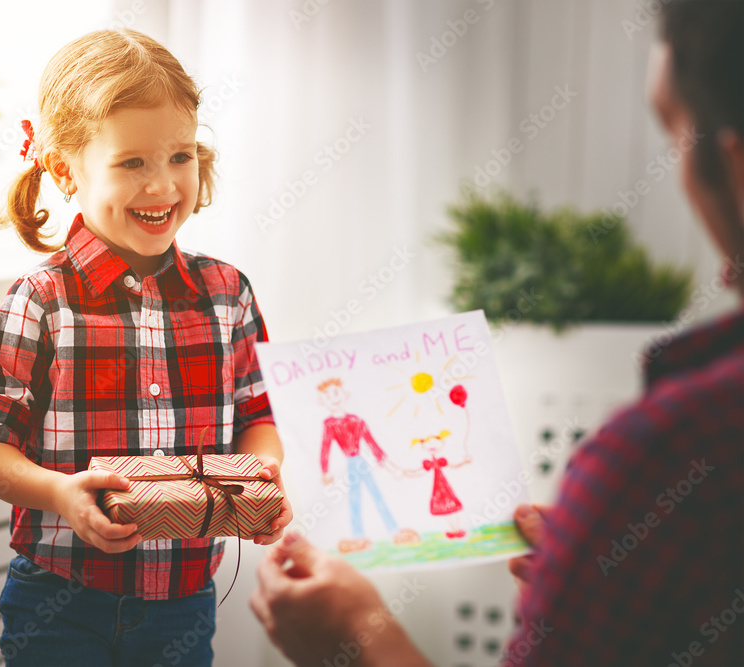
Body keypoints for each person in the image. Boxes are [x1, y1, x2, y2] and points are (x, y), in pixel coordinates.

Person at [250, 0, 743, 665]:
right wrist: (597, 572)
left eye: (676, 134)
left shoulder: (663, 455)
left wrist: (359, 640)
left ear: (735, 168)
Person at [0, 29, 292, 666]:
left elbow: (259, 420)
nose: (162, 185)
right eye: (132, 162)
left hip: (185, 605)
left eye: (180, 157)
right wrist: (59, 495)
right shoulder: (41, 300)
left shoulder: (227, 293)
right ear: (64, 169)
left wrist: (259, 481)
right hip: (58, 601)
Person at [318, 378, 420, 551]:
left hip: (361, 462)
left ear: (345, 395)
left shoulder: (357, 421)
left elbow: (373, 445)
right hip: (351, 464)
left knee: (376, 494)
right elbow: (325, 447)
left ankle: (395, 531)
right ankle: (359, 536)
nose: (333, 398)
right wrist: (325, 471)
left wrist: (391, 467)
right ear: (322, 401)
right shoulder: (330, 424)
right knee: (354, 498)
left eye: (336, 393)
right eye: (328, 395)